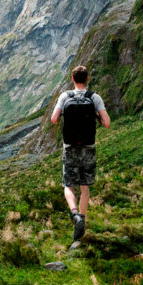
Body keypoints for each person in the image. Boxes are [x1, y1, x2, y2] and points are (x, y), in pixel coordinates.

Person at [50, 65, 110, 245]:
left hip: (69, 147)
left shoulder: (64, 96)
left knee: (68, 185)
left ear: (73, 79)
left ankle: (75, 215)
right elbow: (106, 123)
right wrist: (97, 117)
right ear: (88, 78)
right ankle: (82, 219)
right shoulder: (94, 97)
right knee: (85, 187)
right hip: (88, 147)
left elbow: (53, 119)